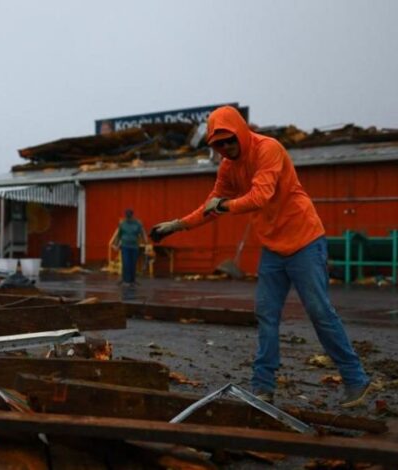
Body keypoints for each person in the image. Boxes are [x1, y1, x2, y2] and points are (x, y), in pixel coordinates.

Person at [150, 106, 374, 408]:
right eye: (219, 145)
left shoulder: (269, 149)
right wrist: (177, 225)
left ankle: (356, 381)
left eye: (230, 141)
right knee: (266, 314)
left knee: (320, 312)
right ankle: (263, 387)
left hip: (305, 241)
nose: (227, 148)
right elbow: (211, 206)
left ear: (241, 133)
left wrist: (224, 206)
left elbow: (259, 196)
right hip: (273, 247)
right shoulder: (228, 168)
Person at [115, 209, 147, 286]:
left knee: (133, 263)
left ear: (132, 215)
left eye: (129, 216)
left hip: (134, 246)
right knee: (126, 263)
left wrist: (145, 241)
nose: (128, 217)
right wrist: (116, 244)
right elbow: (119, 235)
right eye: (127, 216)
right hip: (125, 246)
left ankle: (132, 280)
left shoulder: (137, 224)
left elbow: (142, 233)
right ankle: (125, 280)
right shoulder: (122, 224)